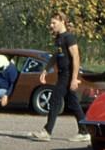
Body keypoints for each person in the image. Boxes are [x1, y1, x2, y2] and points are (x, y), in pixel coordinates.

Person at [31, 12, 91, 142]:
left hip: (68, 74)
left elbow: (76, 57)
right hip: (62, 73)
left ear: (62, 21)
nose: (51, 25)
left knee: (55, 99)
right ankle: (84, 131)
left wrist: (74, 78)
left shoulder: (69, 38)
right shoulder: (58, 38)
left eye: (54, 23)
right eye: (51, 23)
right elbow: (55, 56)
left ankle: (47, 131)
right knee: (73, 103)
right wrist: (46, 70)